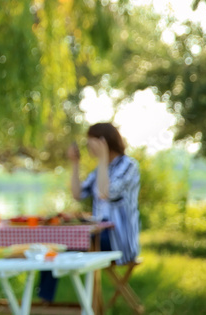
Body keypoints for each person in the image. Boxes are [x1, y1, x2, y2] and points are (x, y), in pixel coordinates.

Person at [38, 122, 141, 302]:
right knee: (53, 247)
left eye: (91, 142)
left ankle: (85, 307)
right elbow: (77, 194)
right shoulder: (98, 171)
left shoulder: (129, 166)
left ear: (104, 142)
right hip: (97, 236)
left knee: (63, 245)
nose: (87, 147)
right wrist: (75, 163)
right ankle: (45, 302)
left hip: (120, 241)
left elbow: (104, 193)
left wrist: (102, 159)